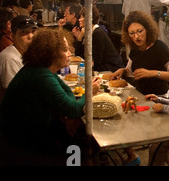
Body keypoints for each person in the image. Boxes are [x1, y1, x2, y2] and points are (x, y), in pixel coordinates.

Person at [0, 28, 101, 165]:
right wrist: (89, 93)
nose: (70, 53)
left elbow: (67, 92)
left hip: (35, 129)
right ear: (51, 53)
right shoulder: (40, 75)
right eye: (65, 50)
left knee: (79, 136)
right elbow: (73, 108)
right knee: (80, 145)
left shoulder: (43, 69)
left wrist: (71, 116)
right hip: (22, 140)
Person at [110, 10, 169, 97]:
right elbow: (129, 70)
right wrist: (123, 71)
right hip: (139, 94)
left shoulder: (160, 47)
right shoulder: (135, 48)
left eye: (139, 31)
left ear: (147, 29)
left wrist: (152, 73)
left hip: (158, 97)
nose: (136, 36)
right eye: (131, 33)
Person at [72, 6, 123, 72]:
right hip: (101, 69)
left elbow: (97, 61)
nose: (79, 19)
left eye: (82, 17)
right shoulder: (88, 32)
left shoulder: (98, 33)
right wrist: (79, 37)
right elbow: (79, 56)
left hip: (111, 69)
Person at [0, 15, 37, 90]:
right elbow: (14, 93)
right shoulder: (9, 58)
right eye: (24, 32)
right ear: (13, 37)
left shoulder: (29, 53)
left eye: (33, 31)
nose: (30, 36)